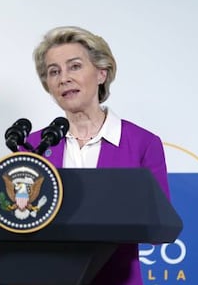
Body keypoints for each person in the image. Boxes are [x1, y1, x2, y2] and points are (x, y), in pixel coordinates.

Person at [24, 26, 171, 285]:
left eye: (75, 66)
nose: (63, 78)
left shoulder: (142, 144)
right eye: (54, 71)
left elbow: (159, 225)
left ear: (101, 73)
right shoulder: (33, 145)